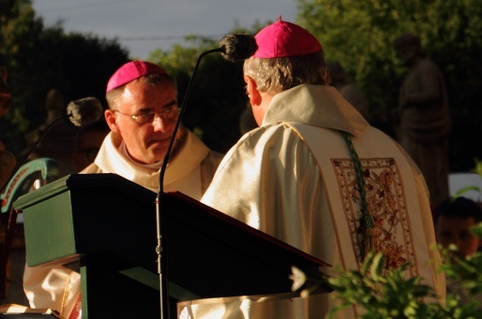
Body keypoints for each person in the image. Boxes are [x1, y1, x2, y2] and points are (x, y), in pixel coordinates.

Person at [182, 18, 444, 318]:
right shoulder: (392, 150)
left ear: (252, 88)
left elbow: (210, 263)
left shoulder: (265, 151)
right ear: (326, 78)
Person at [23, 60, 223, 318]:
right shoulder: (81, 192)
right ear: (112, 120)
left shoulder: (219, 173)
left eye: (170, 108)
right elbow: (44, 278)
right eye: (145, 114)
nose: (162, 126)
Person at [393, 33, 451, 205]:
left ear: (413, 49)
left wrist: (410, 99)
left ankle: (435, 208)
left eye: (402, 51)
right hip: (412, 128)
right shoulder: (413, 73)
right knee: (414, 172)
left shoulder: (427, 68)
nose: (400, 56)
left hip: (426, 131)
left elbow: (432, 93)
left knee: (430, 173)